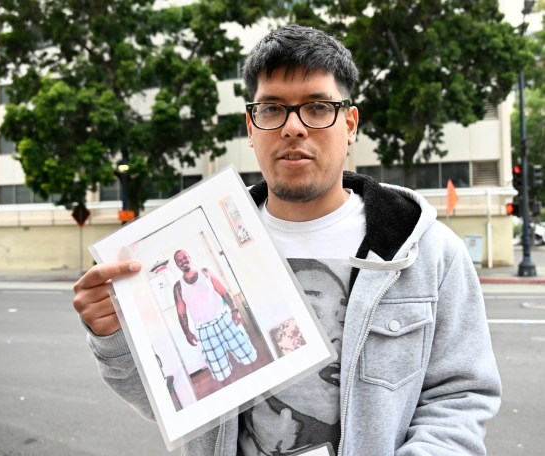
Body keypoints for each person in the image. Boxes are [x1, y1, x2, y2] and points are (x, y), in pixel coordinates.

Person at [72, 24, 501, 455]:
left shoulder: (427, 252)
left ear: (350, 124)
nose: (293, 127)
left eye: (317, 107)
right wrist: (111, 335)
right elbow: (168, 403)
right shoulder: (206, 241)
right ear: (252, 127)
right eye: (273, 109)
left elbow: (460, 397)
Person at [171, 249, 257, 382]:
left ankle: (259, 382)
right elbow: (181, 312)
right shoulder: (178, 287)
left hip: (224, 319)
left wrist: (235, 310)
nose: (183, 261)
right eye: (179, 260)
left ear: (190, 257)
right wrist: (186, 332)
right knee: (219, 370)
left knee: (246, 353)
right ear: (177, 265)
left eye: (184, 257)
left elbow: (223, 291)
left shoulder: (205, 272)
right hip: (204, 330)